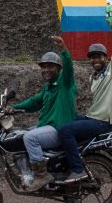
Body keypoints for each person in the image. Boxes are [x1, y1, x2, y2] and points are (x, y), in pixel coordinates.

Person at [54, 19, 112, 184]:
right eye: (92, 57)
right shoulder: (93, 77)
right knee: (64, 119)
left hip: (102, 122)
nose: (95, 60)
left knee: (65, 131)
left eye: (99, 56)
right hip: (92, 117)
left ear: (106, 58)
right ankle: (63, 162)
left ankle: (77, 170)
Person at [9, 35, 76, 191]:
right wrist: (14, 108)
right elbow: (34, 102)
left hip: (59, 128)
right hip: (47, 126)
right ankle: (26, 171)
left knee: (30, 137)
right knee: (18, 134)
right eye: (43, 66)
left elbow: (69, 68)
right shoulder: (48, 87)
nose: (46, 69)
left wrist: (63, 49)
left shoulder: (64, 83)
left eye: (50, 66)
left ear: (59, 69)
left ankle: (41, 175)